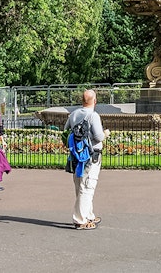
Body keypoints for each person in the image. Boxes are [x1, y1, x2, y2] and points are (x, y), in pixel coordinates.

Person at [68, 89, 108, 230]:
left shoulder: (73, 114)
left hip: (77, 155)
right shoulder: (93, 115)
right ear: (95, 101)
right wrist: (105, 134)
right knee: (88, 186)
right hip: (92, 155)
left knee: (80, 184)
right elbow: (98, 136)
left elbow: (66, 132)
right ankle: (80, 219)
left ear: (82, 101)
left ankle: (89, 214)